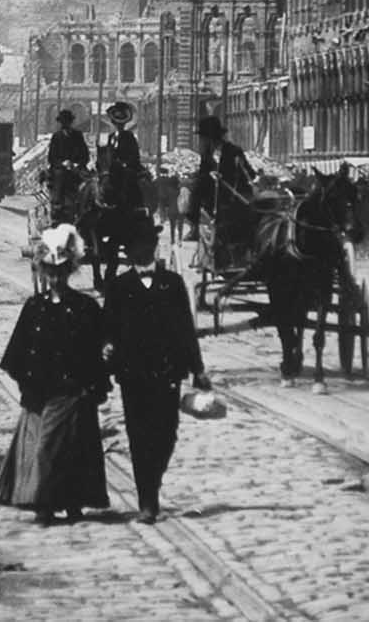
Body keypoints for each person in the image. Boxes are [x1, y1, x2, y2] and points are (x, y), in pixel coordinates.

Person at [0, 223, 111, 526]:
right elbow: (17, 352)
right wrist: (27, 381)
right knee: (42, 448)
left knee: (74, 450)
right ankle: (43, 503)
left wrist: (96, 378)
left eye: (61, 272)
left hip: (74, 390)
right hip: (40, 392)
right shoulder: (34, 308)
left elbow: (103, 345)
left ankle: (71, 501)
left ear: (70, 272)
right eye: (50, 272)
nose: (56, 278)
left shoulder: (85, 307)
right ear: (43, 273)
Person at [103, 221, 209, 523]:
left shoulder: (173, 283)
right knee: (138, 436)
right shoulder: (118, 287)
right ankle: (147, 500)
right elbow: (107, 328)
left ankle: (154, 480)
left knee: (167, 434)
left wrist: (197, 369)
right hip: (132, 373)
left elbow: (187, 330)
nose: (142, 250)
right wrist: (107, 351)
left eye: (147, 244)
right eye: (136, 245)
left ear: (153, 247)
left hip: (167, 372)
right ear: (129, 251)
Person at [184, 116, 257, 257]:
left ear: (209, 138)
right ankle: (194, 224)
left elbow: (249, 173)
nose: (202, 141)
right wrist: (209, 175)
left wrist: (230, 175)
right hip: (213, 192)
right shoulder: (206, 154)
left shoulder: (234, 150)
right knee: (197, 187)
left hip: (235, 191)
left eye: (203, 138)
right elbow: (203, 173)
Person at [47, 109, 90, 224]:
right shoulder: (56, 137)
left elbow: (85, 155)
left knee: (90, 182)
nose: (65, 124)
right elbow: (51, 157)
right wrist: (63, 163)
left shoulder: (78, 135)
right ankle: (58, 206)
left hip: (77, 168)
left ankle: (86, 207)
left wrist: (77, 164)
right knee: (60, 176)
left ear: (71, 122)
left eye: (67, 122)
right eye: (63, 122)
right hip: (61, 169)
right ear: (60, 123)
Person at [101, 102, 145, 212]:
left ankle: (135, 205)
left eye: (121, 123)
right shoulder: (110, 137)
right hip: (111, 169)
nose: (118, 125)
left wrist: (125, 163)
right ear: (113, 123)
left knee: (129, 178)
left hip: (125, 168)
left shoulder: (129, 136)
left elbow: (135, 155)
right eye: (116, 123)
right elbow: (105, 154)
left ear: (124, 124)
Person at [154, 167, 182, 245]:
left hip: (161, 195)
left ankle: (163, 217)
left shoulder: (158, 180)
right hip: (171, 200)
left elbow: (154, 186)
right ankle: (179, 237)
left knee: (161, 206)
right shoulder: (169, 180)